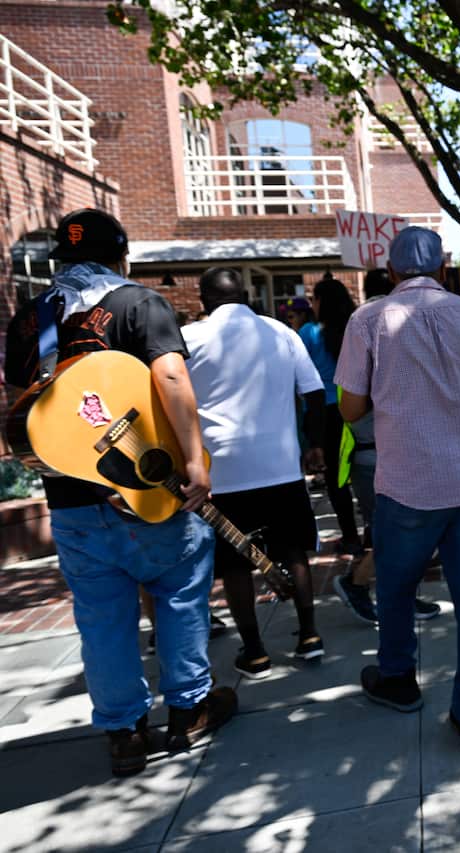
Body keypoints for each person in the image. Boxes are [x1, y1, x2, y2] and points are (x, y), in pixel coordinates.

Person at [3, 209, 236, 776]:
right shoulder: (140, 303)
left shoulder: (31, 317)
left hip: (69, 498)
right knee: (180, 594)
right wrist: (192, 460)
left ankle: (125, 732)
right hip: (144, 485)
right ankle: (189, 710)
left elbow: (18, 403)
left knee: (101, 616)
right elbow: (172, 378)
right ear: (122, 256)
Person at [334, 227, 460, 753]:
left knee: (394, 591)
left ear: (391, 271)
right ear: (443, 267)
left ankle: (397, 681)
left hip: (405, 483)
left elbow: (350, 409)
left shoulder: (368, 319)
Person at [182, 267, 327, 677]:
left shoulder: (190, 339)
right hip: (280, 463)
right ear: (245, 294)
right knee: (294, 550)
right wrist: (314, 444)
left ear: (203, 299)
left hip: (222, 469)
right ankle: (310, 635)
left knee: (234, 563)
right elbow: (314, 392)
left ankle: (255, 651)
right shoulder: (281, 332)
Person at [333, 268, 441, 626]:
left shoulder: (369, 330)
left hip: (382, 452)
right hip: (374, 455)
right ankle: (357, 583)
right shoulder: (371, 332)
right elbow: (355, 408)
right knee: (395, 533)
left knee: (401, 532)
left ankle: (401, 597)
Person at [298, 275, 363, 555]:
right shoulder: (357, 327)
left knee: (337, 478)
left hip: (323, 411)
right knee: (368, 470)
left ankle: (351, 537)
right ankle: (374, 531)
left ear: (321, 301)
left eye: (313, 299)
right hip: (359, 405)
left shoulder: (309, 333)